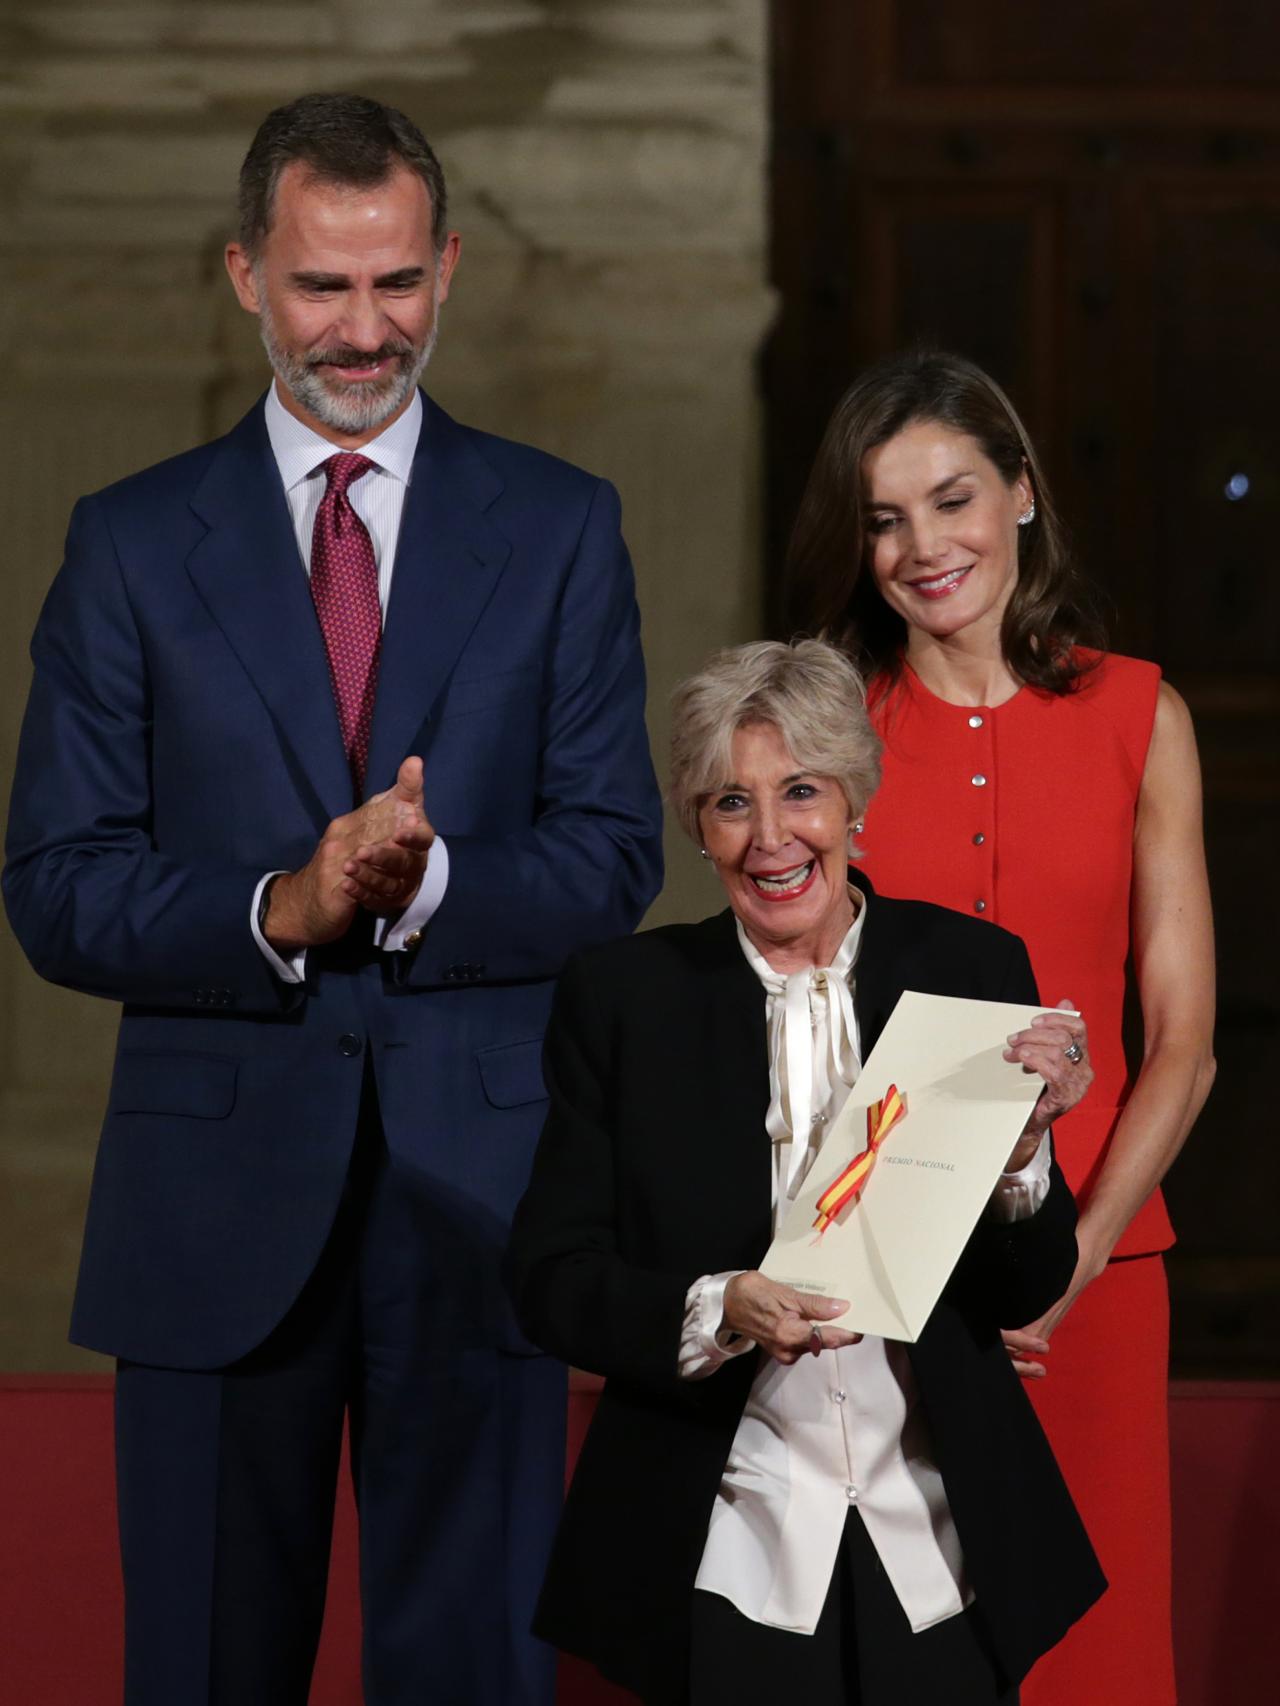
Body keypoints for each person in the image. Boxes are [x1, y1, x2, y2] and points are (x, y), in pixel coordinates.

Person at [2, 93, 663, 1706]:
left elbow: (612, 854)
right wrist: (278, 909)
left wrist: (433, 881)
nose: (364, 331)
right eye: (321, 287)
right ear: (244, 274)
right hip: (213, 1214)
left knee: (475, 1669)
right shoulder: (132, 543)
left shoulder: (564, 525)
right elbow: (56, 884)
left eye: (397, 285)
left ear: (444, 270)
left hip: (484, 1203)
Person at [506, 639, 1106, 1706]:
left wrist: (1020, 1154)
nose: (771, 837)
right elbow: (549, 1275)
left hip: (937, 1530)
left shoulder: (969, 970)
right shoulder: (624, 997)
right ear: (697, 825)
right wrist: (715, 1305)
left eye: (800, 792)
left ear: (852, 801)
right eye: (731, 802)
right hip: (729, 1533)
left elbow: (1022, 1285)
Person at [785, 348, 1216, 1705]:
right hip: (880, 1293)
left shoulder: (1141, 714)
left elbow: (1184, 1037)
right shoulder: (821, 722)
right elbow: (784, 1012)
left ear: (1022, 494)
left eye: (953, 499)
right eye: (884, 518)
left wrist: (1068, 1264)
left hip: (1096, 1274)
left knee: (1094, 1659)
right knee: (909, 1658)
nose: (924, 546)